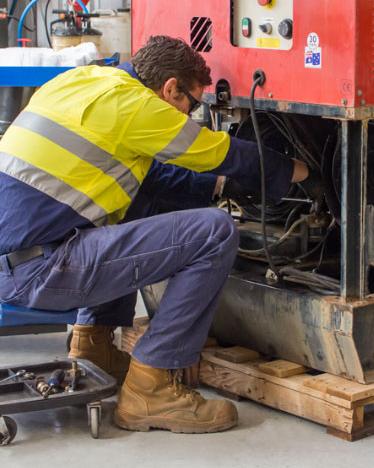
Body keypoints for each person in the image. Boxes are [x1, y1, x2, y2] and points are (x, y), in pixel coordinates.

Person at [0, 35, 313, 434]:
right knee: (214, 231)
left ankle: (93, 343)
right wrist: (296, 172)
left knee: (140, 199)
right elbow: (222, 152)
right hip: (44, 270)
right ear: (170, 88)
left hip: (15, 264)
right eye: (192, 104)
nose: (189, 114)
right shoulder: (139, 106)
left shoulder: (85, 82)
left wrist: (219, 187)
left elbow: (152, 179)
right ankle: (153, 386)